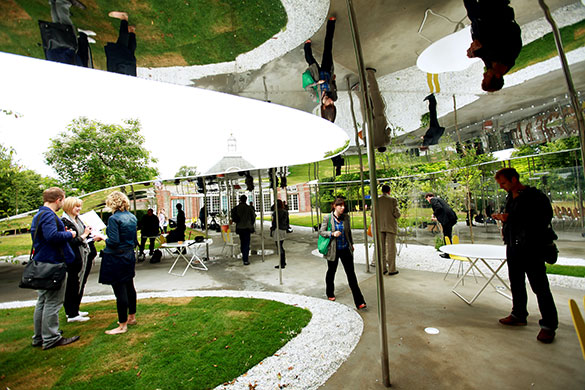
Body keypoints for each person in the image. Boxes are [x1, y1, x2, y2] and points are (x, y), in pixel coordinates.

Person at [492, 168, 558, 343]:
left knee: (540, 286)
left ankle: (549, 326)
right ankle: (519, 314)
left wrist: (510, 218)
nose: (502, 187)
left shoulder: (534, 197)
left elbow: (542, 219)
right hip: (514, 246)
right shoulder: (510, 197)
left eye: (504, 183)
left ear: (514, 179)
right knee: (516, 281)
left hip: (532, 247)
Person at [31, 187, 80, 350]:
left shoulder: (39, 215)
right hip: (52, 263)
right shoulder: (48, 215)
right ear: (59, 199)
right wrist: (70, 234)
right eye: (63, 200)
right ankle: (51, 337)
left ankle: (39, 336)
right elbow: (52, 236)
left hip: (43, 263)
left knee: (43, 300)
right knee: (53, 301)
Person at [98, 191, 138, 335]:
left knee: (120, 291)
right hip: (128, 255)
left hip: (116, 257)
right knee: (129, 287)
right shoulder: (132, 217)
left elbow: (113, 241)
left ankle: (122, 325)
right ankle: (131, 317)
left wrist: (102, 238)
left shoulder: (114, 219)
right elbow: (134, 240)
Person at [463, 0, 522, 92]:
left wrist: (473, 52)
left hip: (477, 17)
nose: (484, 75)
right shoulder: (510, 54)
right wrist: (480, 45)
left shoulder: (491, 66)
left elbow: (484, 52)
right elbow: (513, 30)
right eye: (486, 77)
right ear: (497, 75)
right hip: (494, 8)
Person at [319, 197, 367, 310]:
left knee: (351, 275)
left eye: (343, 206)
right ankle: (330, 293)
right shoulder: (328, 217)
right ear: (335, 206)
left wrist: (351, 244)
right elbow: (321, 232)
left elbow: (348, 232)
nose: (343, 208)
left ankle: (360, 301)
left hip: (346, 249)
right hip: (333, 250)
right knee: (331, 272)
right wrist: (332, 234)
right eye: (340, 206)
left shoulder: (346, 218)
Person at [61, 197, 99, 323]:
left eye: (79, 206)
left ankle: (75, 309)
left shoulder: (78, 220)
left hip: (85, 255)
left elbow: (84, 237)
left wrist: (92, 237)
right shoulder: (65, 222)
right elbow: (70, 241)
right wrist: (84, 235)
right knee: (72, 284)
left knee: (80, 283)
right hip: (74, 258)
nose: (79, 209)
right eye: (76, 206)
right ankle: (71, 313)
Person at [303, 17, 337, 122]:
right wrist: (333, 82)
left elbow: (307, 87)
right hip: (327, 71)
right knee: (328, 47)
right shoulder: (334, 97)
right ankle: (331, 23)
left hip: (316, 74)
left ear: (323, 107)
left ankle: (307, 46)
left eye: (329, 104)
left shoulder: (316, 98)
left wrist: (317, 83)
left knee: (309, 58)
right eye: (332, 104)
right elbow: (334, 85)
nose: (331, 101)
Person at [357, 68, 391, 152]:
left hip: (380, 119)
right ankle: (359, 89)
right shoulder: (371, 144)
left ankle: (370, 73)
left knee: (375, 95)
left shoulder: (386, 142)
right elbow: (364, 136)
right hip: (368, 123)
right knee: (365, 104)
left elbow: (388, 131)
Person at [376, 185, 401, 275]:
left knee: (381, 248)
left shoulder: (376, 200)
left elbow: (372, 214)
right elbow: (397, 214)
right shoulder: (393, 200)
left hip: (379, 227)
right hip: (390, 226)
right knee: (391, 249)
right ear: (389, 191)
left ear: (381, 191)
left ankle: (383, 269)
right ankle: (391, 269)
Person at [104, 11, 137, 76]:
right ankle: (124, 18)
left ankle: (132, 30)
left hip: (130, 70)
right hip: (120, 69)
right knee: (121, 46)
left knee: (130, 53)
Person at [231, 195, 256, 266]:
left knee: (242, 241)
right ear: (246, 200)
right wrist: (250, 223)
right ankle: (245, 258)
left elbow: (233, 217)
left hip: (240, 227)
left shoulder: (236, 208)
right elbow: (253, 217)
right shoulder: (249, 208)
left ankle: (244, 255)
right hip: (247, 228)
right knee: (246, 243)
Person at [271, 199, 290, 269]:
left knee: (279, 246)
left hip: (278, 229)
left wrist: (272, 230)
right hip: (283, 229)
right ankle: (283, 262)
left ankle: (282, 263)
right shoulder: (285, 212)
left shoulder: (276, 212)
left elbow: (274, 222)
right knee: (280, 245)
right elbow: (288, 222)